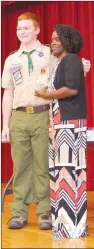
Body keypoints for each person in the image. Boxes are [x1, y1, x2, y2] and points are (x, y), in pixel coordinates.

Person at [2, 12, 90, 231]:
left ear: (37, 30)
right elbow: (8, 93)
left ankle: (44, 213)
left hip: (43, 115)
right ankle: (19, 213)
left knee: (43, 166)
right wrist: (5, 124)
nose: (21, 32)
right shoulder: (11, 59)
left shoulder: (50, 54)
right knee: (20, 166)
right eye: (18, 29)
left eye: (26, 28)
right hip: (19, 116)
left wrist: (83, 69)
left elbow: (66, 78)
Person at [35, 24, 89, 238]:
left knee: (70, 174)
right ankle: (63, 226)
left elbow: (71, 89)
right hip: (58, 124)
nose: (53, 42)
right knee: (59, 174)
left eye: (58, 38)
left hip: (70, 125)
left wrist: (46, 95)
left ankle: (73, 228)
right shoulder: (60, 62)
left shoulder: (72, 60)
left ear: (69, 40)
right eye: (52, 38)